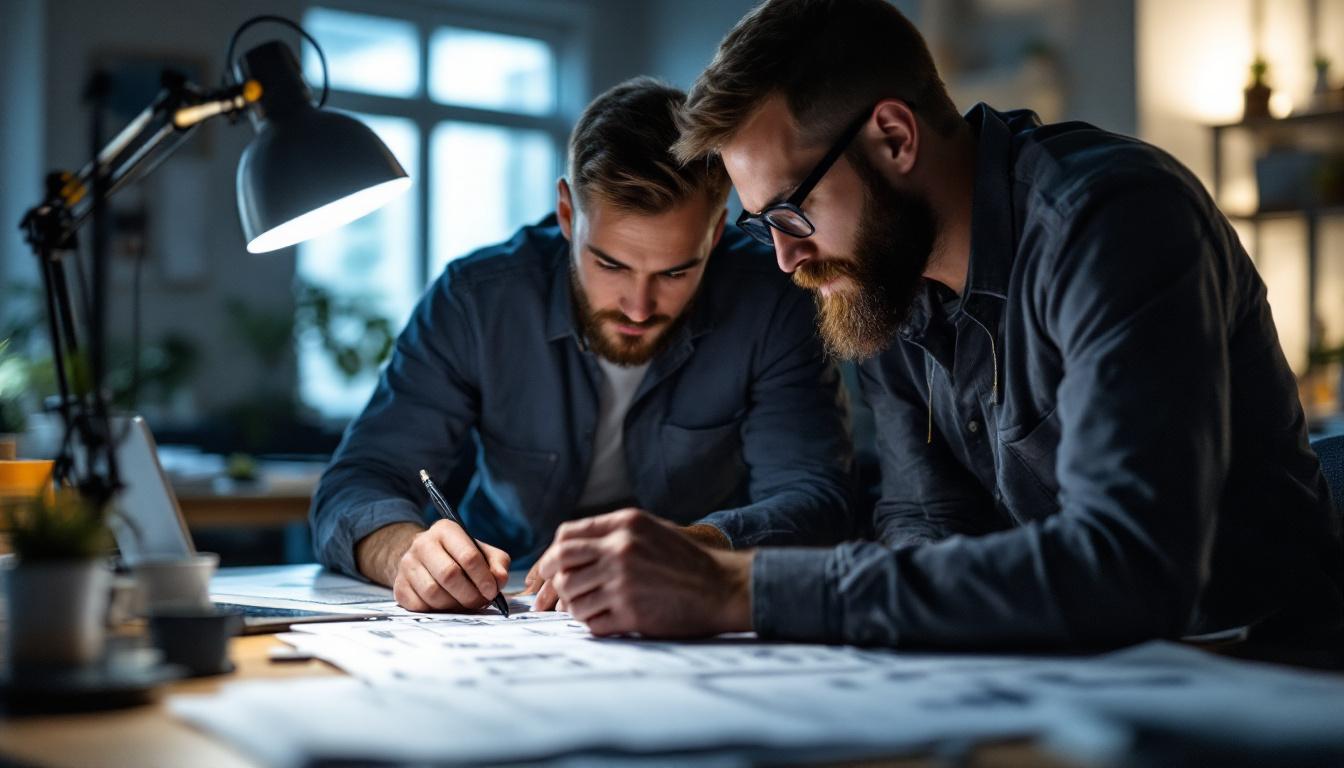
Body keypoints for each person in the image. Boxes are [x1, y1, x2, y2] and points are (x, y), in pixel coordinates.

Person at [538, 0, 1344, 654]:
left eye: (792, 211)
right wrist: (716, 555)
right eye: (763, 226)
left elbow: (1127, 565)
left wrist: (738, 588)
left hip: (1259, 663)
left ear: (894, 137)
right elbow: (923, 531)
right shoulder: (885, 280)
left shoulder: (1111, 222)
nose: (785, 259)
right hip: (1086, 667)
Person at [309, 76, 854, 613]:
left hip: (695, 601)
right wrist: (407, 551)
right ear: (568, 215)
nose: (639, 307)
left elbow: (817, 500)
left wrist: (696, 547)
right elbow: (356, 482)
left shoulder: (773, 301)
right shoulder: (477, 302)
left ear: (715, 236)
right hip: (505, 604)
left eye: (675, 272)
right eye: (610, 264)